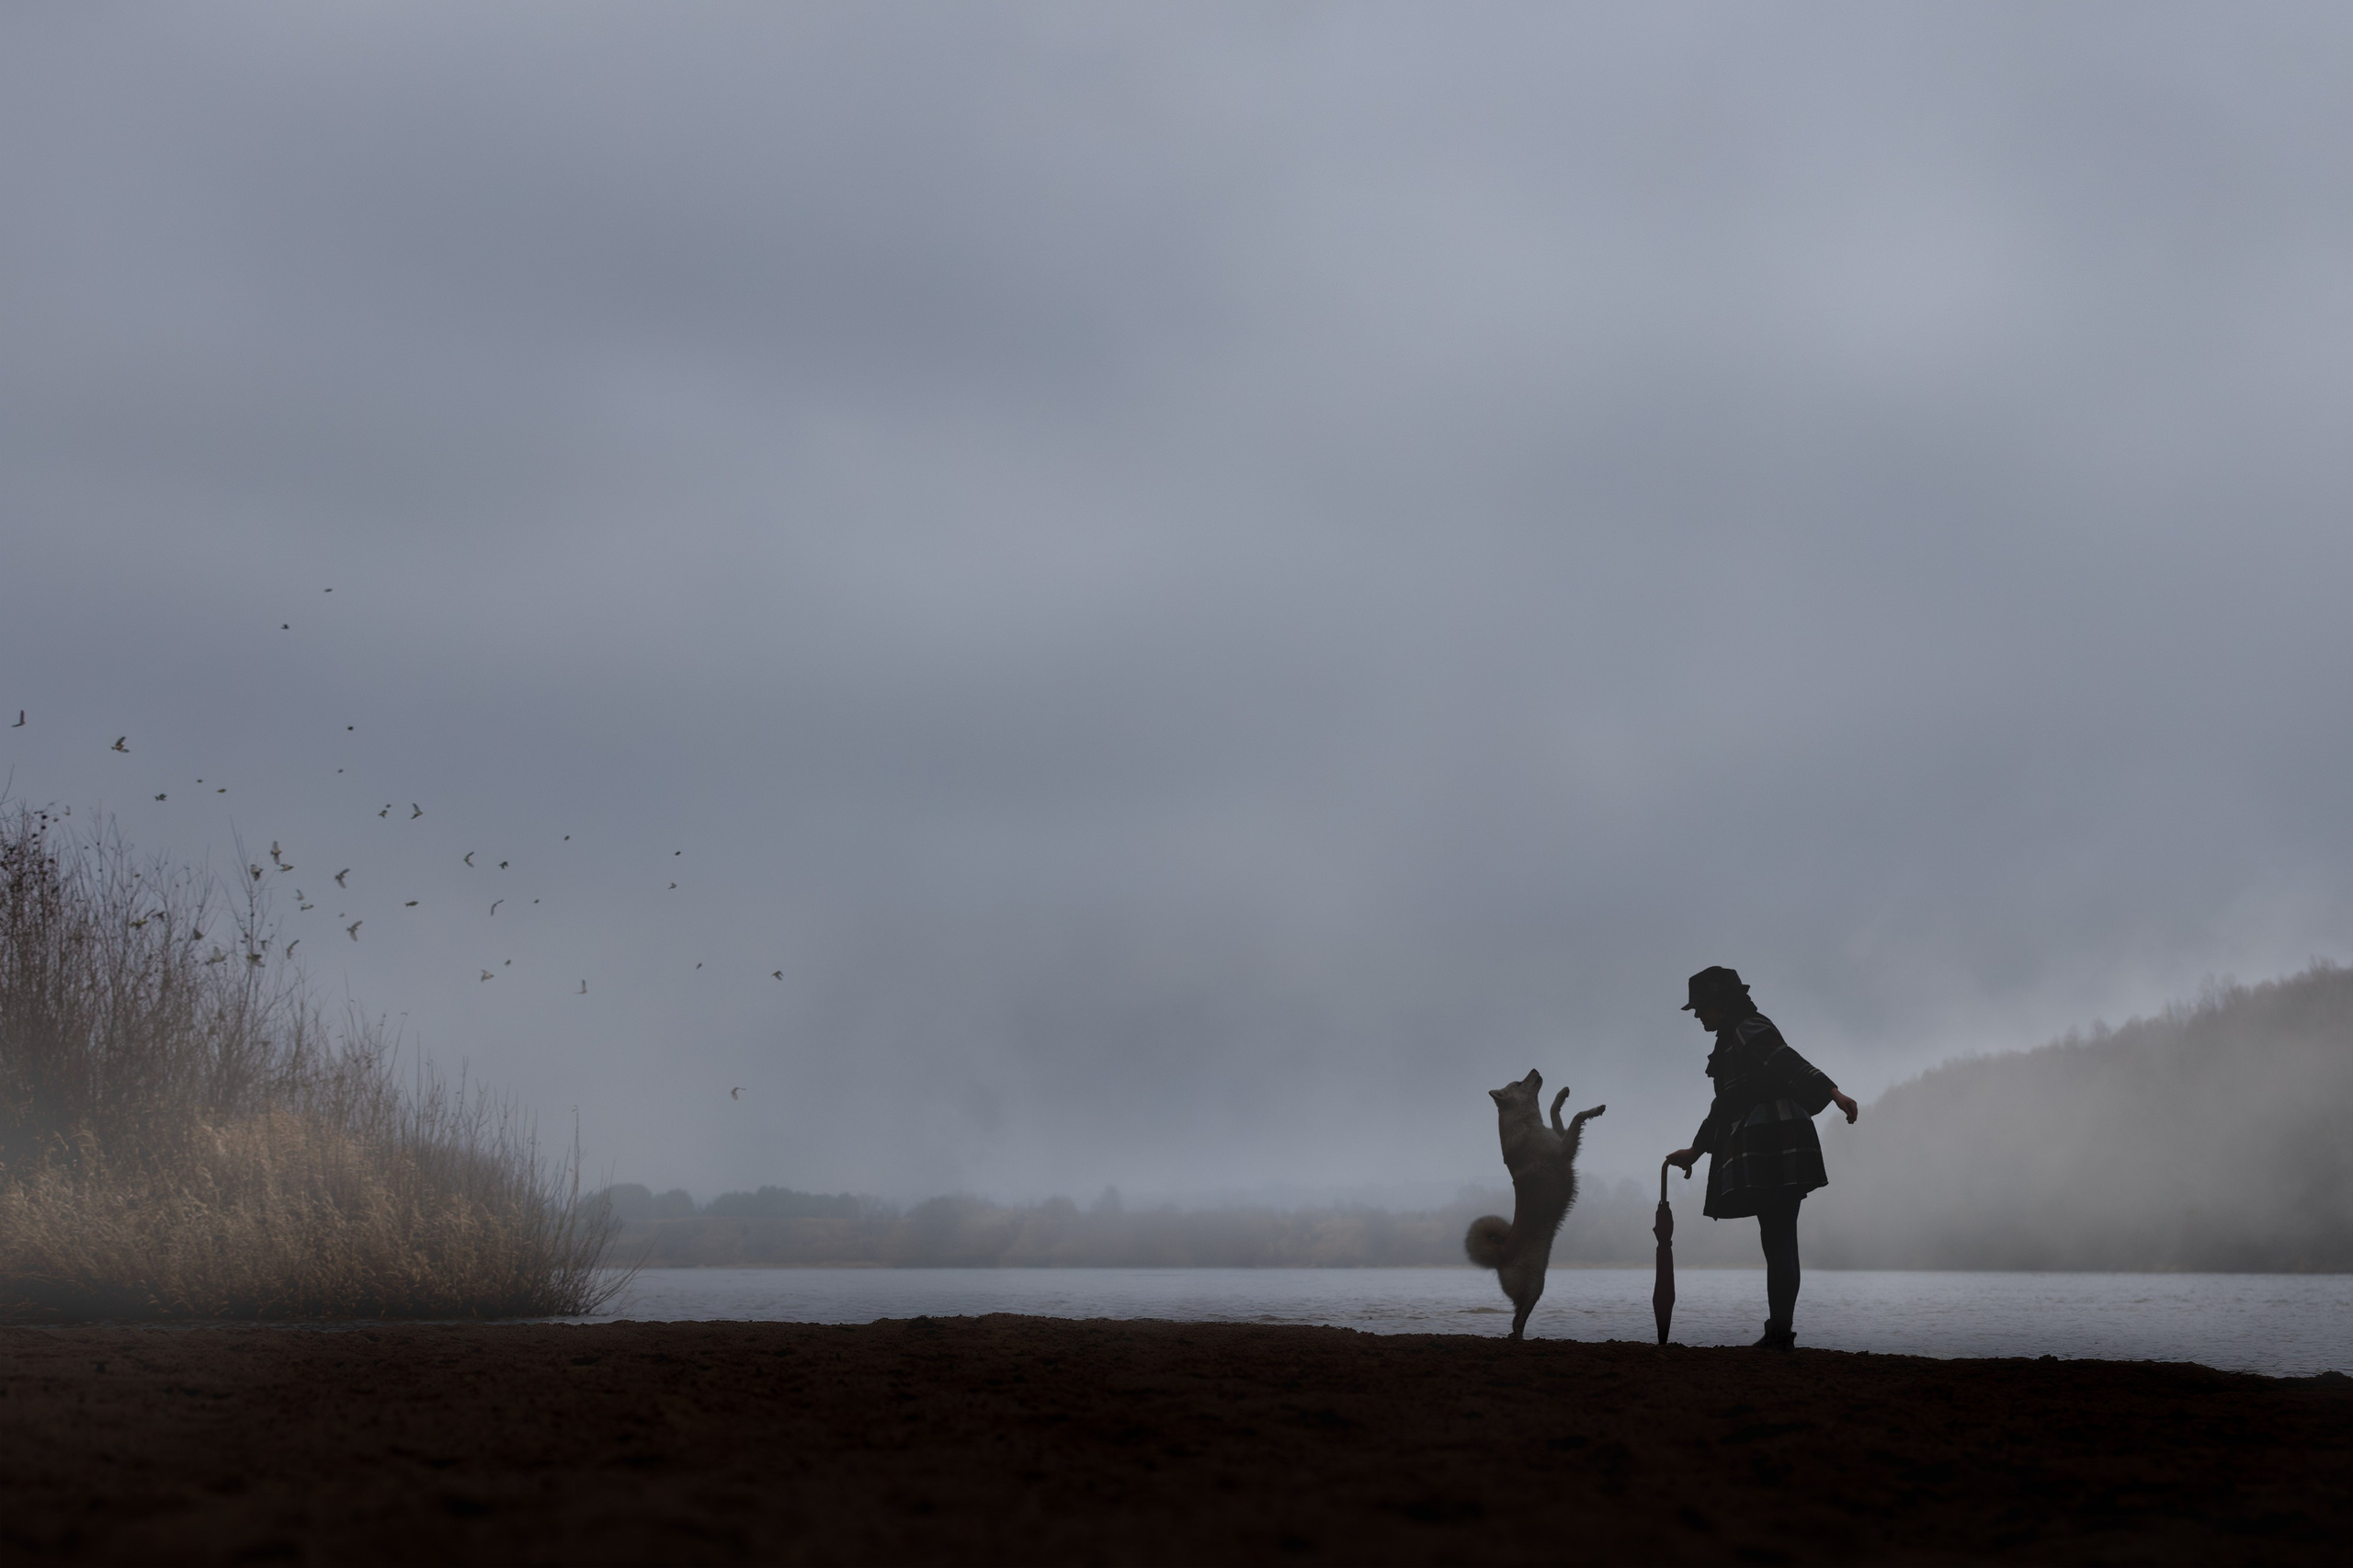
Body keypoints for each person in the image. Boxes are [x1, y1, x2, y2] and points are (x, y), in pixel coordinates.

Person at [1664, 966, 1858, 1350]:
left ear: (1721, 1004)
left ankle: (1780, 1335)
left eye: (1701, 1007)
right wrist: (1696, 1151)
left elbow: (1788, 1062)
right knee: (1777, 1237)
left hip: (1777, 1139)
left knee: (1779, 1236)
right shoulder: (1732, 1037)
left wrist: (1832, 1092)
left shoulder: (1747, 1029)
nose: (1697, 1015)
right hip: (1773, 1139)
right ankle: (1779, 1332)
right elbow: (1725, 1104)